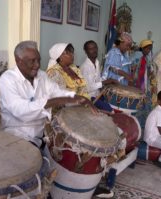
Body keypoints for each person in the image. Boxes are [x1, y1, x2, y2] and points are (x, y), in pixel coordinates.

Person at [47, 42, 116, 198]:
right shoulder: (53, 73)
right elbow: (59, 98)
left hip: (81, 111)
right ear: (58, 56)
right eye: (67, 53)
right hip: (63, 115)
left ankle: (92, 183)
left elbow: (84, 92)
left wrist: (88, 107)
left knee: (103, 133)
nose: (72, 55)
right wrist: (80, 106)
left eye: (72, 52)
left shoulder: (75, 69)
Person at [0, 40, 96, 149]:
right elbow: (21, 111)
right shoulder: (7, 79)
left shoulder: (42, 76)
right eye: (32, 61)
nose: (37, 65)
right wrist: (55, 101)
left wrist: (78, 98)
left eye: (38, 60)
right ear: (18, 61)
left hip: (41, 133)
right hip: (16, 135)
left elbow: (57, 91)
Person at [80, 40, 118, 112]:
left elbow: (98, 80)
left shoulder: (97, 62)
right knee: (110, 110)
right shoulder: (85, 67)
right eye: (91, 49)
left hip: (97, 94)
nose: (94, 50)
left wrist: (106, 84)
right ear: (86, 52)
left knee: (112, 102)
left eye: (95, 48)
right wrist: (105, 82)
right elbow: (88, 88)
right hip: (89, 97)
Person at [130, 39, 157, 129]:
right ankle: (134, 123)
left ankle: (142, 124)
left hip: (144, 82)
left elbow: (150, 70)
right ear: (142, 48)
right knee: (136, 103)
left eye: (150, 49)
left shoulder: (147, 57)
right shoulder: (136, 55)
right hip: (137, 82)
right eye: (147, 48)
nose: (149, 50)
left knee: (145, 103)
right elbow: (132, 68)